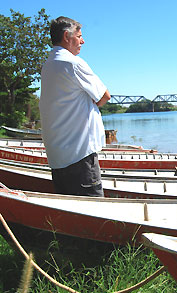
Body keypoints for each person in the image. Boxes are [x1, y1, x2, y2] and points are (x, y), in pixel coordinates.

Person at [40, 16, 111, 197]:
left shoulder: (48, 65)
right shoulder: (73, 63)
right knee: (94, 211)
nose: (82, 41)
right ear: (66, 36)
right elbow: (104, 96)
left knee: (70, 210)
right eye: (79, 36)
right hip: (80, 156)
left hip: (57, 158)